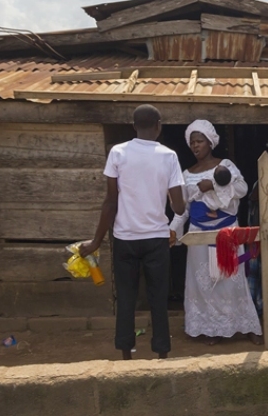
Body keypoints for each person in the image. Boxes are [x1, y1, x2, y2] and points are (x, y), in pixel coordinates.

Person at [80, 104, 185, 360]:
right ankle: (162, 354)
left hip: (125, 239)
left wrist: (95, 242)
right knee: (158, 299)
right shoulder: (169, 156)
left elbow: (110, 202)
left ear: (133, 126)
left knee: (126, 298)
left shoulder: (118, 153)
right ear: (159, 126)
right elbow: (179, 206)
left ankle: (126, 355)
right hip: (156, 239)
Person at [169, 120, 262, 346]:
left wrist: (213, 185)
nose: (195, 146)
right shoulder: (186, 173)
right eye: (192, 142)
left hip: (226, 232)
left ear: (210, 142)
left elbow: (242, 189)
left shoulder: (226, 165)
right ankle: (213, 329)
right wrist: (173, 229)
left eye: (200, 141)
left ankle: (245, 325)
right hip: (199, 234)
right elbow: (184, 209)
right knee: (205, 283)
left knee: (232, 279)